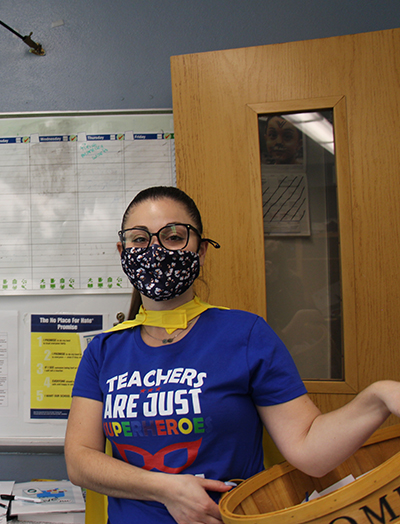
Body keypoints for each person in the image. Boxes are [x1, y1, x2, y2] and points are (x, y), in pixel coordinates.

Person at [65, 186, 400, 524]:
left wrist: (378, 397)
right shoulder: (104, 351)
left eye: (173, 236)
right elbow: (80, 460)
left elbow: (308, 449)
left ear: (202, 251)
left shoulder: (245, 334)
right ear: (123, 251)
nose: (155, 249)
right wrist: (165, 489)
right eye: (140, 239)